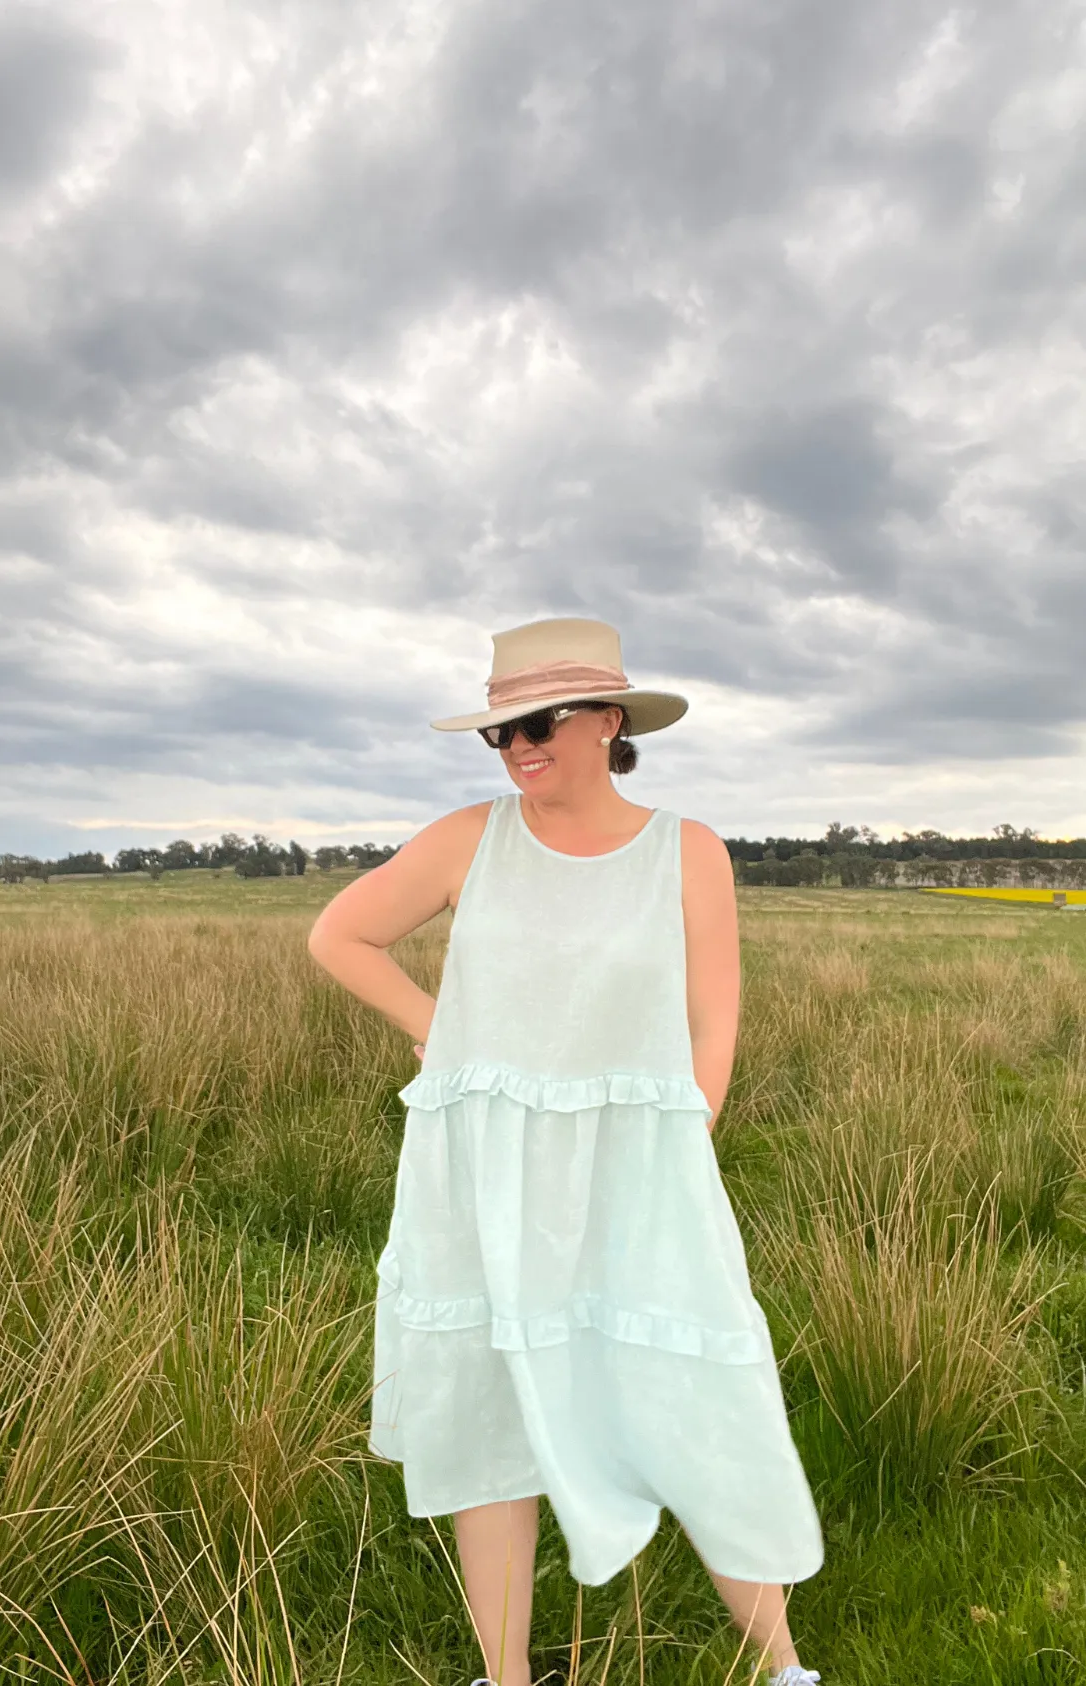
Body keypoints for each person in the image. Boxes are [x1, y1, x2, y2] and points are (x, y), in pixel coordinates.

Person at [307, 616, 824, 1686]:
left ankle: (781, 1668)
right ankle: (506, 1679)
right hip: (480, 1177)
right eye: (499, 733)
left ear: (606, 720)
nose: (518, 748)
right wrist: (441, 1030)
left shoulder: (687, 849)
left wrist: (684, 1142)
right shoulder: (467, 839)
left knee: (686, 1391)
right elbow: (338, 936)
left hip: (636, 1169)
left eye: (538, 722)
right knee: (491, 1413)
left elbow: (711, 1024)